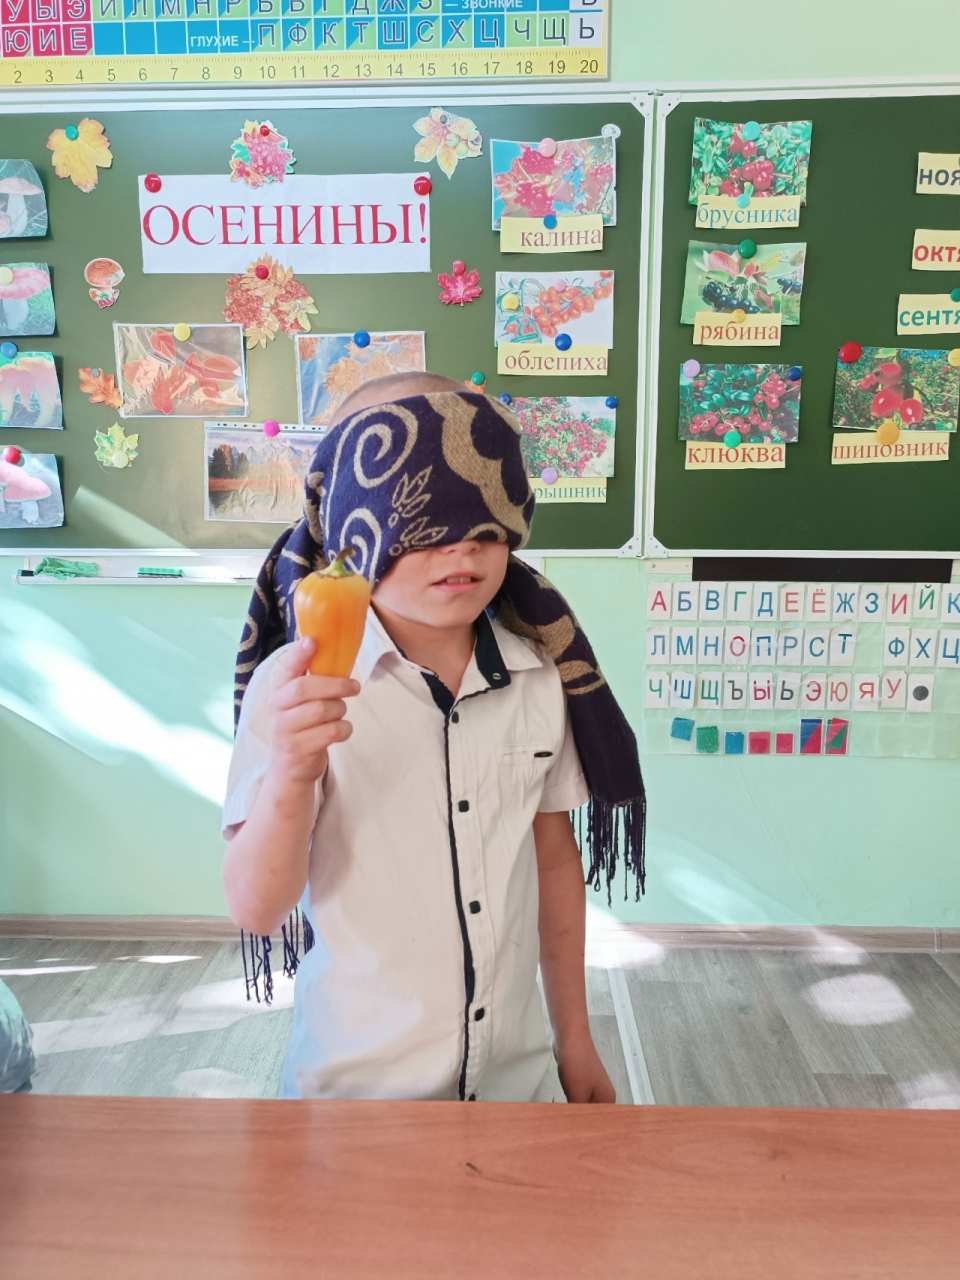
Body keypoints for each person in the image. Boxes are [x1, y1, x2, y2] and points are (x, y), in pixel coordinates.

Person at [222, 372, 645, 1103]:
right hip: (356, 1100)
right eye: (425, 528)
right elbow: (257, 908)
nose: (462, 555)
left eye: (485, 530)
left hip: (516, 1085)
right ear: (355, 531)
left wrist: (575, 1040)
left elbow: (551, 866)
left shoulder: (538, 678)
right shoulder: (293, 692)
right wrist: (292, 771)